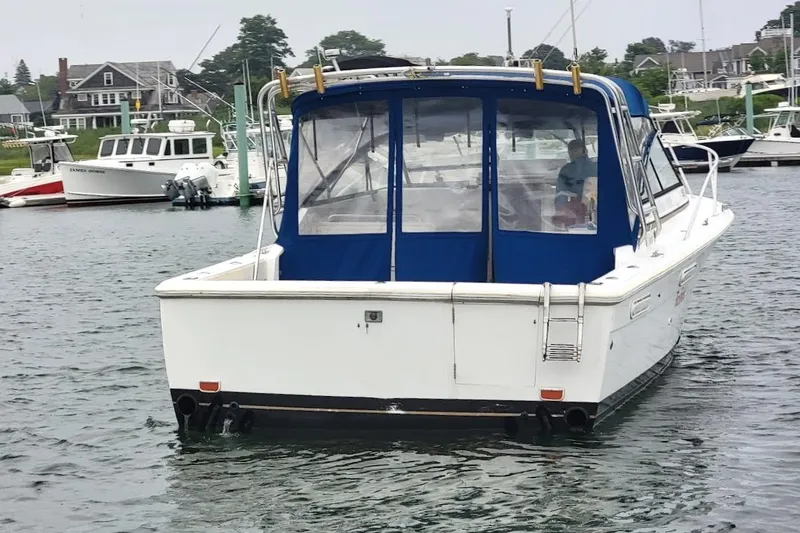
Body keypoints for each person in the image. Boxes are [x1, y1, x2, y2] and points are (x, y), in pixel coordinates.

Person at [553, 139, 597, 225]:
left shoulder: (566, 170)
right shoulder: (598, 167)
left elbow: (561, 194)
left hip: (575, 212)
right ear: (586, 151)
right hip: (596, 210)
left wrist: (560, 211)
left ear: (571, 152)